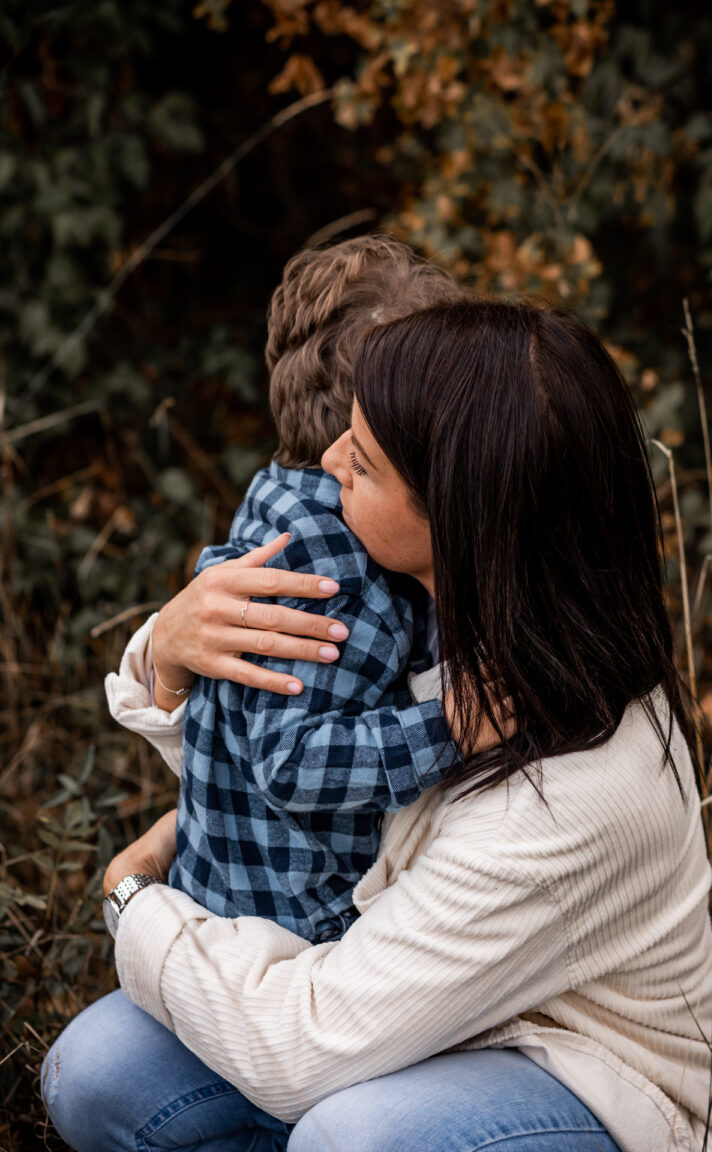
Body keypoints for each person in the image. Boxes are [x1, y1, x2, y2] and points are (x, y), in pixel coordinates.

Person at [43, 299, 712, 1152]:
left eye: (367, 462)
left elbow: (302, 1051)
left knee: (354, 1138)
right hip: (397, 1000)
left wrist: (136, 901)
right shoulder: (439, 608)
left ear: (458, 512)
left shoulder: (577, 782)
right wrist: (169, 654)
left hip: (582, 1077)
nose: (331, 459)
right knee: (95, 1071)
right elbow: (298, 804)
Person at [106, 236, 462, 939]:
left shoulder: (275, 497)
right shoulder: (346, 571)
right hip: (299, 925)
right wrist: (454, 725)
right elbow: (291, 760)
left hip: (211, 889)